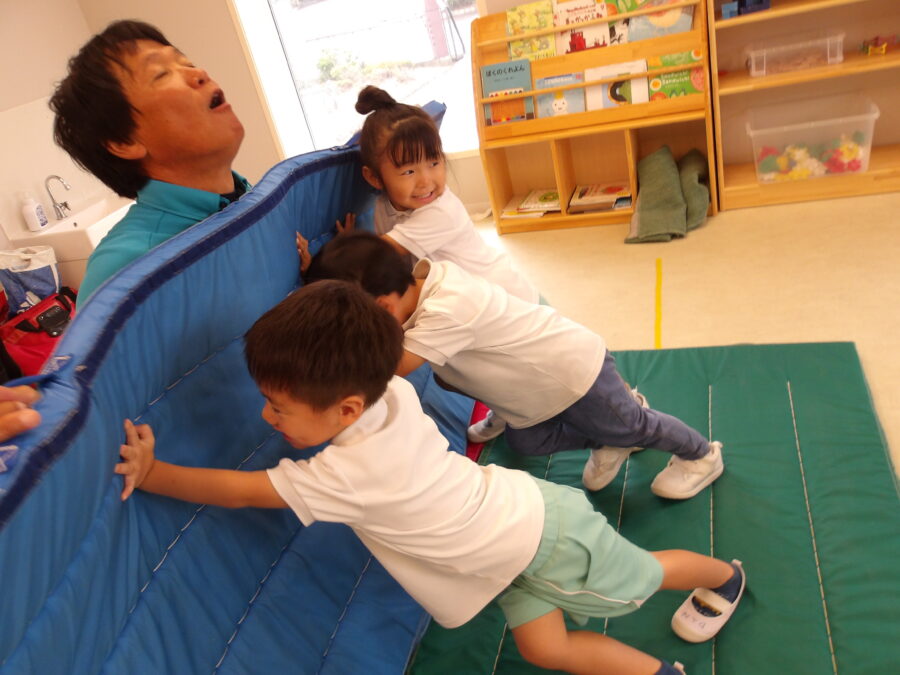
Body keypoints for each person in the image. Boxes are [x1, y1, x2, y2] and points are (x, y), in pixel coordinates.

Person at [115, 280, 746, 675]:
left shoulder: (344, 474)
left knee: (644, 576)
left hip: (542, 541)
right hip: (507, 550)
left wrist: (153, 472)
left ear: (346, 410)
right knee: (544, 650)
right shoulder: (388, 394)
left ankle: (726, 577)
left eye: (278, 407)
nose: (265, 417)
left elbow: (237, 491)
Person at [305, 232, 724, 500]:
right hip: (531, 390)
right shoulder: (420, 284)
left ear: (381, 307)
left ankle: (701, 455)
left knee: (635, 425)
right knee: (526, 443)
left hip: (574, 372)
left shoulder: (447, 308)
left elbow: (395, 366)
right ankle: (607, 438)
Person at [345, 84, 541, 443]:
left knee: (546, 365)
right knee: (477, 375)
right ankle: (507, 410)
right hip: (466, 306)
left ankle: (621, 406)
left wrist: (339, 249)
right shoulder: (384, 208)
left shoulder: (440, 212)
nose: (426, 181)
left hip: (504, 299)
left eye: (434, 163)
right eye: (408, 172)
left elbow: (375, 255)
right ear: (374, 178)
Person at [50, 20, 247, 304]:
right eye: (161, 73)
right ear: (123, 141)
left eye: (187, 63)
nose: (200, 73)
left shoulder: (246, 196)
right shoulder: (124, 271)